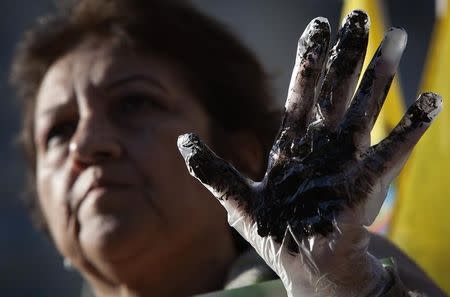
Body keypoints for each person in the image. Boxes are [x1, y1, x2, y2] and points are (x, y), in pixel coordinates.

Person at [9, 0, 445, 296]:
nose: (88, 144)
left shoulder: (348, 265)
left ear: (240, 156)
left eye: (134, 103)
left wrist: (355, 288)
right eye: (59, 131)